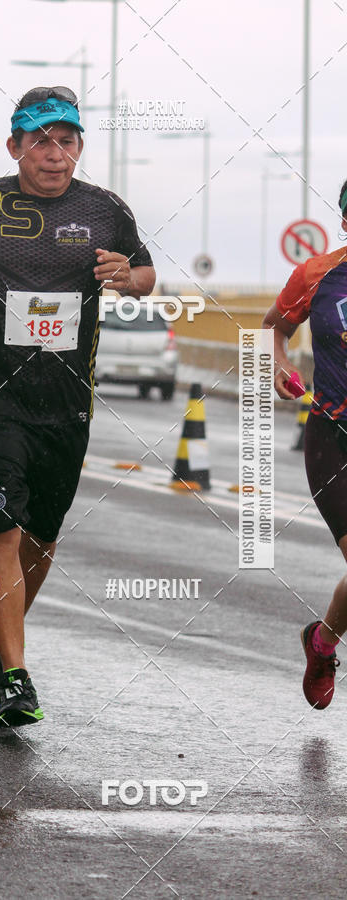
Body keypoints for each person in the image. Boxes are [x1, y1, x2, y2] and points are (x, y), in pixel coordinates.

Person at [0, 86, 155, 728]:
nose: (55, 154)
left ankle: (0, 635)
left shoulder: (106, 209)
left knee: (43, 536)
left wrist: (126, 277)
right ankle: (15, 677)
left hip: (68, 398)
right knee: (1, 526)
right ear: (15, 147)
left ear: (80, 146)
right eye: (41, 141)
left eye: (67, 141)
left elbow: (144, 275)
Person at [263, 179, 347, 709]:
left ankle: (323, 641)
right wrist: (279, 365)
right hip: (333, 436)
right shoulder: (317, 274)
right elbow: (274, 327)